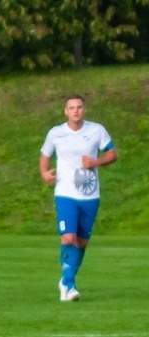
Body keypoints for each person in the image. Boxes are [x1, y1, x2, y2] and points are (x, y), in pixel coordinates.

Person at [41, 95, 117, 302]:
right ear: (66, 111)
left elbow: (113, 153)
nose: (75, 111)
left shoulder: (96, 130)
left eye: (79, 107)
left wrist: (97, 161)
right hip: (65, 194)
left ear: (85, 109)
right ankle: (69, 285)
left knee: (82, 242)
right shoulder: (56, 133)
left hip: (90, 196)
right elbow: (45, 155)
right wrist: (45, 173)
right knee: (68, 237)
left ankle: (67, 280)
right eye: (71, 108)